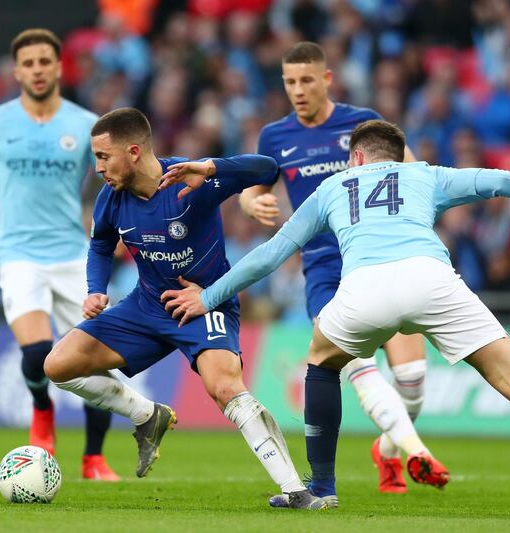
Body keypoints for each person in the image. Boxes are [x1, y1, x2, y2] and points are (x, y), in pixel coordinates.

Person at [161, 120, 510, 511]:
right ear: (398, 154)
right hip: (431, 279)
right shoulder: (425, 175)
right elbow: (503, 181)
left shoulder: (333, 186)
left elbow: (272, 254)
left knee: (321, 362)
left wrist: (208, 298)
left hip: (364, 288)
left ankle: (323, 488)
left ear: (357, 157)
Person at [42, 107, 328, 510]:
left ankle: (296, 491)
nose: (98, 166)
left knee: (226, 387)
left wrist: (212, 167)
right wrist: (95, 290)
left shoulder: (190, 180)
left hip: (203, 301)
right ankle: (145, 415)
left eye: (104, 157)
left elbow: (266, 170)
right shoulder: (111, 197)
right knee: (57, 365)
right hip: (146, 305)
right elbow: (102, 244)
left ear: (135, 151)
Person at [240, 41, 437, 502]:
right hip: (326, 266)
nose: (298, 90)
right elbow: (253, 189)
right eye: (289, 82)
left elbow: (412, 174)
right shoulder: (274, 137)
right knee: (357, 365)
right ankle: (394, 458)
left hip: (383, 257)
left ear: (327, 79)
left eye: (307, 80)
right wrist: (253, 202)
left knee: (412, 385)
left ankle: (388, 447)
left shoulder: (362, 123)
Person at [0, 28, 118, 481]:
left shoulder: (85, 125)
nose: (38, 70)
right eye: (29, 63)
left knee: (95, 357)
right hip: (17, 253)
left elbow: (113, 181)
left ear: (59, 67)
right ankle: (42, 411)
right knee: (38, 349)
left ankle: (93, 458)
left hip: (73, 254)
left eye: (45, 61)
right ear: (17, 71)